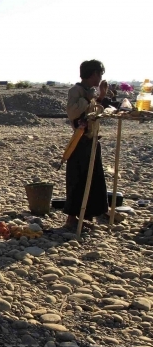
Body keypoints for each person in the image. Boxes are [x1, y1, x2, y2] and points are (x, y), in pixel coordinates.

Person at [63, 60, 109, 231]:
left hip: (92, 138)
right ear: (93, 74)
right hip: (80, 140)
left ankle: (87, 214)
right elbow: (73, 112)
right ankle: (71, 218)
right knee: (78, 178)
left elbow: (94, 113)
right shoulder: (76, 91)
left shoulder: (91, 92)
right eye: (99, 74)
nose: (100, 78)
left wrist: (101, 97)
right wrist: (90, 97)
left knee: (94, 178)